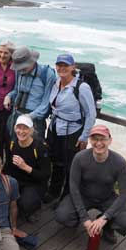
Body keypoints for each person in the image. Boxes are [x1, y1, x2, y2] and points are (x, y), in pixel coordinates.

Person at [55, 125, 126, 244]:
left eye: (102, 139)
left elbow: (124, 194)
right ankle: (81, 222)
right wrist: (85, 219)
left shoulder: (119, 162)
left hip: (107, 198)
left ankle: (106, 227)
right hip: (83, 196)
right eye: (95, 139)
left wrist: (105, 218)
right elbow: (74, 188)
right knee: (62, 215)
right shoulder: (80, 158)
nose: (98, 143)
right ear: (90, 140)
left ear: (110, 140)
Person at [44, 54, 96, 203]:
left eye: (66, 65)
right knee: (56, 161)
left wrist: (84, 137)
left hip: (73, 131)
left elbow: (91, 115)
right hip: (55, 128)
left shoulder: (81, 87)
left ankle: (66, 197)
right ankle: (54, 191)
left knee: (70, 166)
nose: (62, 68)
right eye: (59, 65)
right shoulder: (56, 83)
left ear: (73, 67)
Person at [2, 115, 50, 222]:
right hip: (16, 180)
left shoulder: (40, 147)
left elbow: (46, 175)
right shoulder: (12, 143)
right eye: (19, 128)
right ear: (15, 129)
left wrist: (25, 167)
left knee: (25, 204)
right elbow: (8, 165)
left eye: (25, 128)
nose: (21, 131)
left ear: (31, 130)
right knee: (2, 195)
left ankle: (34, 207)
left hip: (35, 183)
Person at [4, 46, 56, 142]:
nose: (20, 70)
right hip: (17, 115)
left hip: (35, 120)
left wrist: (29, 117)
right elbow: (16, 90)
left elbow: (46, 103)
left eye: (23, 66)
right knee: (14, 147)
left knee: (34, 150)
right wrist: (9, 96)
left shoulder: (47, 74)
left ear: (32, 61)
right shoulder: (18, 71)